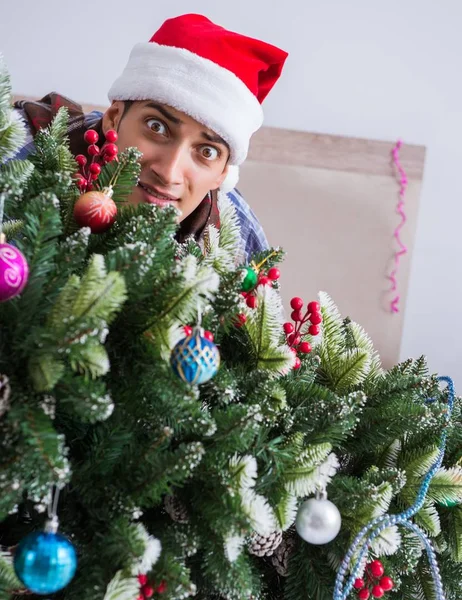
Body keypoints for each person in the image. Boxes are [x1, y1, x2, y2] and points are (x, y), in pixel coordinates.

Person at [13, 13, 288, 262]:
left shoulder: (235, 243)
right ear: (114, 117)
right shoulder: (17, 156)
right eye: (157, 127)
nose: (169, 174)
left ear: (222, 175)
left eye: (207, 152)